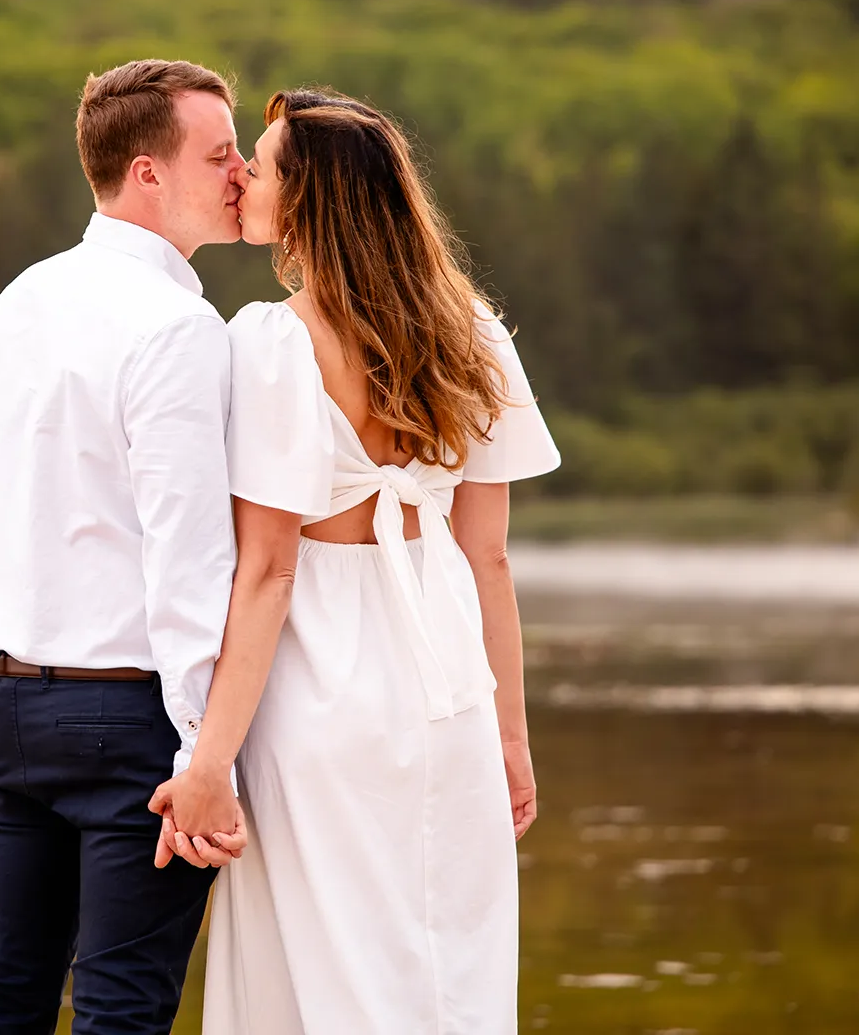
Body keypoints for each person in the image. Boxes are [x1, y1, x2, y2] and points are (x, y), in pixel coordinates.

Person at [151, 88, 561, 1034]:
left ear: (310, 202)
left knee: (323, 965)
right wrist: (512, 739)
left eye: (264, 163)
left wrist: (208, 761)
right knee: (445, 963)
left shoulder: (274, 342)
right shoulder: (473, 335)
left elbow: (268, 574)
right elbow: (488, 559)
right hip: (449, 687)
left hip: (320, 690)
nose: (245, 177)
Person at [0, 58, 251, 1035]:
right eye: (219, 153)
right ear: (147, 172)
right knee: (121, 1013)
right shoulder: (178, 325)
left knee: (9, 995)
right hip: (130, 719)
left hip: (9, 705)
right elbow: (190, 558)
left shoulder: (18, 300)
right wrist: (209, 752)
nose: (241, 171)